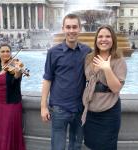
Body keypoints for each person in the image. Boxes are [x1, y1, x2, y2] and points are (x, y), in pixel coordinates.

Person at [40, 13, 91, 150]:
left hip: (80, 108)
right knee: (58, 147)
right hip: (59, 109)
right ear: (63, 28)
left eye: (74, 27)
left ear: (80, 28)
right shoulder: (53, 52)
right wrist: (43, 106)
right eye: (68, 27)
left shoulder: (87, 51)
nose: (71, 30)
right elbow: (47, 79)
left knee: (76, 146)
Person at [81, 25, 127, 150]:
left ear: (113, 40)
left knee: (107, 146)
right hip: (90, 110)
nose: (104, 39)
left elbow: (116, 88)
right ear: (96, 40)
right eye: (100, 36)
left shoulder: (119, 60)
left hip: (109, 112)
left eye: (107, 36)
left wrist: (106, 68)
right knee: (91, 144)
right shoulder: (89, 58)